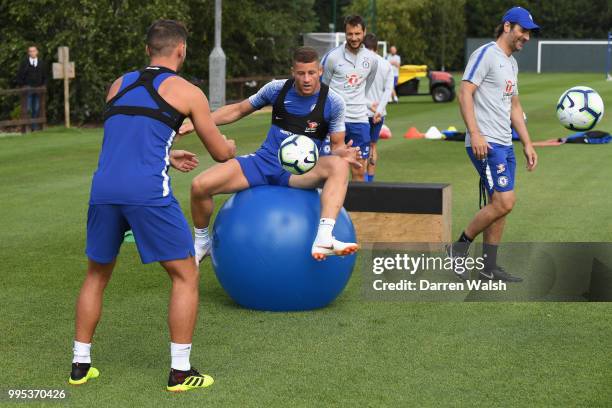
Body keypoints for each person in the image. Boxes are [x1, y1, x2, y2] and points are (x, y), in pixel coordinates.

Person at [70, 20, 236, 392]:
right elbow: (219, 153)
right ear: (182, 51)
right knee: (185, 273)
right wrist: (230, 146)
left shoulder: (118, 84)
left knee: (96, 274)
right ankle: (180, 373)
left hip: (104, 190)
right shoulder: (189, 92)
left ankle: (80, 365)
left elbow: (131, 135)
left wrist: (166, 155)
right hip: (146, 192)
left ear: (147, 50)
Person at [181, 46, 360, 263]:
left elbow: (336, 145)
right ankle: (202, 242)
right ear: (292, 71)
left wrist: (344, 154)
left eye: (311, 73)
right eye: (300, 73)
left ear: (320, 71)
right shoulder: (276, 89)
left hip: (300, 172)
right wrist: (200, 121)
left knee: (339, 166)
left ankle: (324, 238)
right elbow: (238, 109)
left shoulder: (333, 102)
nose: (306, 79)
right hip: (263, 162)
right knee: (200, 185)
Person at [448, 7, 539, 282]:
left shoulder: (511, 63)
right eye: (522, 30)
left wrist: (528, 143)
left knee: (498, 203)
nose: (526, 37)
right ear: (507, 26)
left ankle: (489, 267)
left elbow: (515, 105)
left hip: (505, 143)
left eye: (529, 33)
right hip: (486, 143)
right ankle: (458, 248)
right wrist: (474, 133)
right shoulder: (486, 54)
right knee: (505, 201)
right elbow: (464, 91)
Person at [321, 15, 378, 181]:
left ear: (364, 32)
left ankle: (355, 208)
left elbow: (366, 86)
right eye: (350, 34)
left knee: (359, 171)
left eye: (357, 33)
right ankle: (330, 206)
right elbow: (323, 88)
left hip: (360, 121)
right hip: (334, 121)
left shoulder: (371, 59)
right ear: (345, 33)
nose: (354, 38)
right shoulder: (332, 58)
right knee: (329, 169)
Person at [363, 34, 394, 183]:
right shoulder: (386, 64)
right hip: (379, 114)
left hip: (361, 112)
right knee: (373, 146)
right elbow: (388, 90)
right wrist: (379, 111)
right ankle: (370, 181)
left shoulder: (359, 64)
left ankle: (360, 181)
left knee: (360, 147)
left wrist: (370, 106)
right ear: (377, 47)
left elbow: (355, 90)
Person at [16, 45, 47, 130]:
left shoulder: (41, 63)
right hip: (28, 88)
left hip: (38, 88)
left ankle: (34, 126)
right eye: (30, 51)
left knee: (36, 108)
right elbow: (19, 75)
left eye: (34, 51)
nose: (32, 53)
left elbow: (44, 75)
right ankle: (27, 126)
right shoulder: (25, 63)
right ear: (28, 53)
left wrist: (43, 85)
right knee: (27, 108)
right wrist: (22, 85)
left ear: (37, 52)